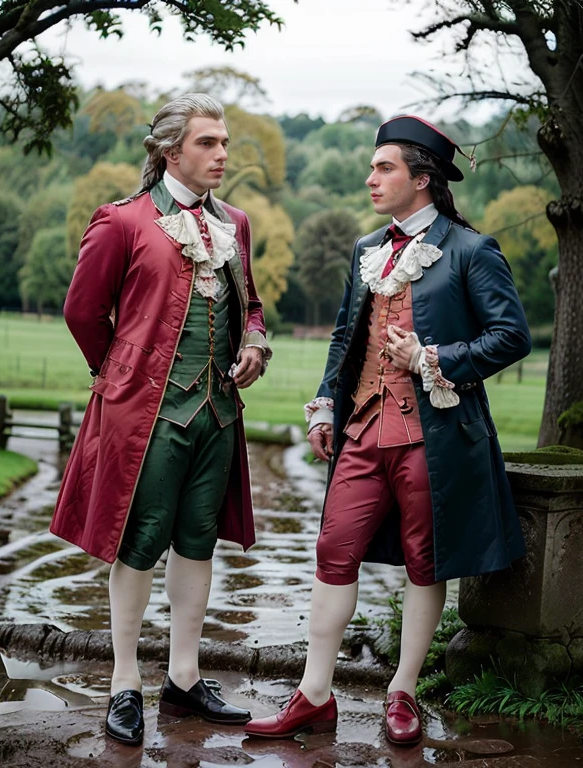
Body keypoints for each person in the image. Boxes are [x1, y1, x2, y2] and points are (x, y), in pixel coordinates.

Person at [244, 115, 531, 745]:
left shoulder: (470, 250)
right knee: (332, 551)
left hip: (435, 436)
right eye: (373, 167)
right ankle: (314, 696)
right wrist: (325, 404)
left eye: (384, 167)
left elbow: (512, 337)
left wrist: (431, 357)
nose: (370, 178)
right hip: (363, 431)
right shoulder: (366, 249)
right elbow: (348, 336)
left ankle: (402, 692)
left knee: (426, 566)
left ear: (422, 179)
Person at [50, 93, 271, 747]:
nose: (222, 154)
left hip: (217, 416)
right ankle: (124, 681)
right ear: (171, 151)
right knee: (139, 543)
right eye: (209, 143)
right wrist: (116, 376)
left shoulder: (237, 224)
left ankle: (182, 678)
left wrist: (255, 344)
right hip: (147, 416)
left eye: (225, 142)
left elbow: (252, 306)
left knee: (197, 542)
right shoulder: (122, 222)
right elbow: (82, 312)